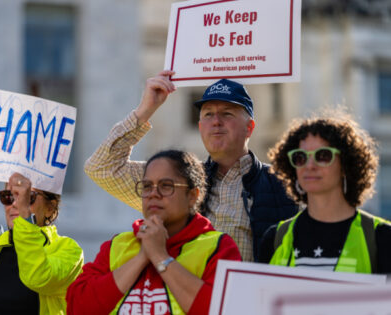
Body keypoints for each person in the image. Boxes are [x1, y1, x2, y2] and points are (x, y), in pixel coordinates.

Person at [84, 70, 297, 261]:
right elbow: (102, 167)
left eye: (227, 114)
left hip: (253, 301)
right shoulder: (176, 181)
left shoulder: (285, 183)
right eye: (208, 114)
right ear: (200, 126)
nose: (216, 121)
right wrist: (145, 110)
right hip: (188, 302)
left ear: (249, 128)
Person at [67, 150, 241, 314]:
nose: (153, 194)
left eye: (166, 186)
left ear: (193, 195)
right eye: (147, 186)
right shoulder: (118, 245)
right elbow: (78, 307)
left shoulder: (218, 247)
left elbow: (221, 309)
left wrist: (160, 257)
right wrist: (142, 256)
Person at [258, 112, 391, 274]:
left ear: (345, 164)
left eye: (323, 155)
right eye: (300, 157)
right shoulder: (274, 239)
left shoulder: (382, 237)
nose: (310, 165)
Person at [0, 172, 84, 314]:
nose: (15, 204)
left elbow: (37, 277)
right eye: (8, 196)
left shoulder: (68, 251)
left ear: (50, 208)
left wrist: (24, 219)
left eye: (28, 197)